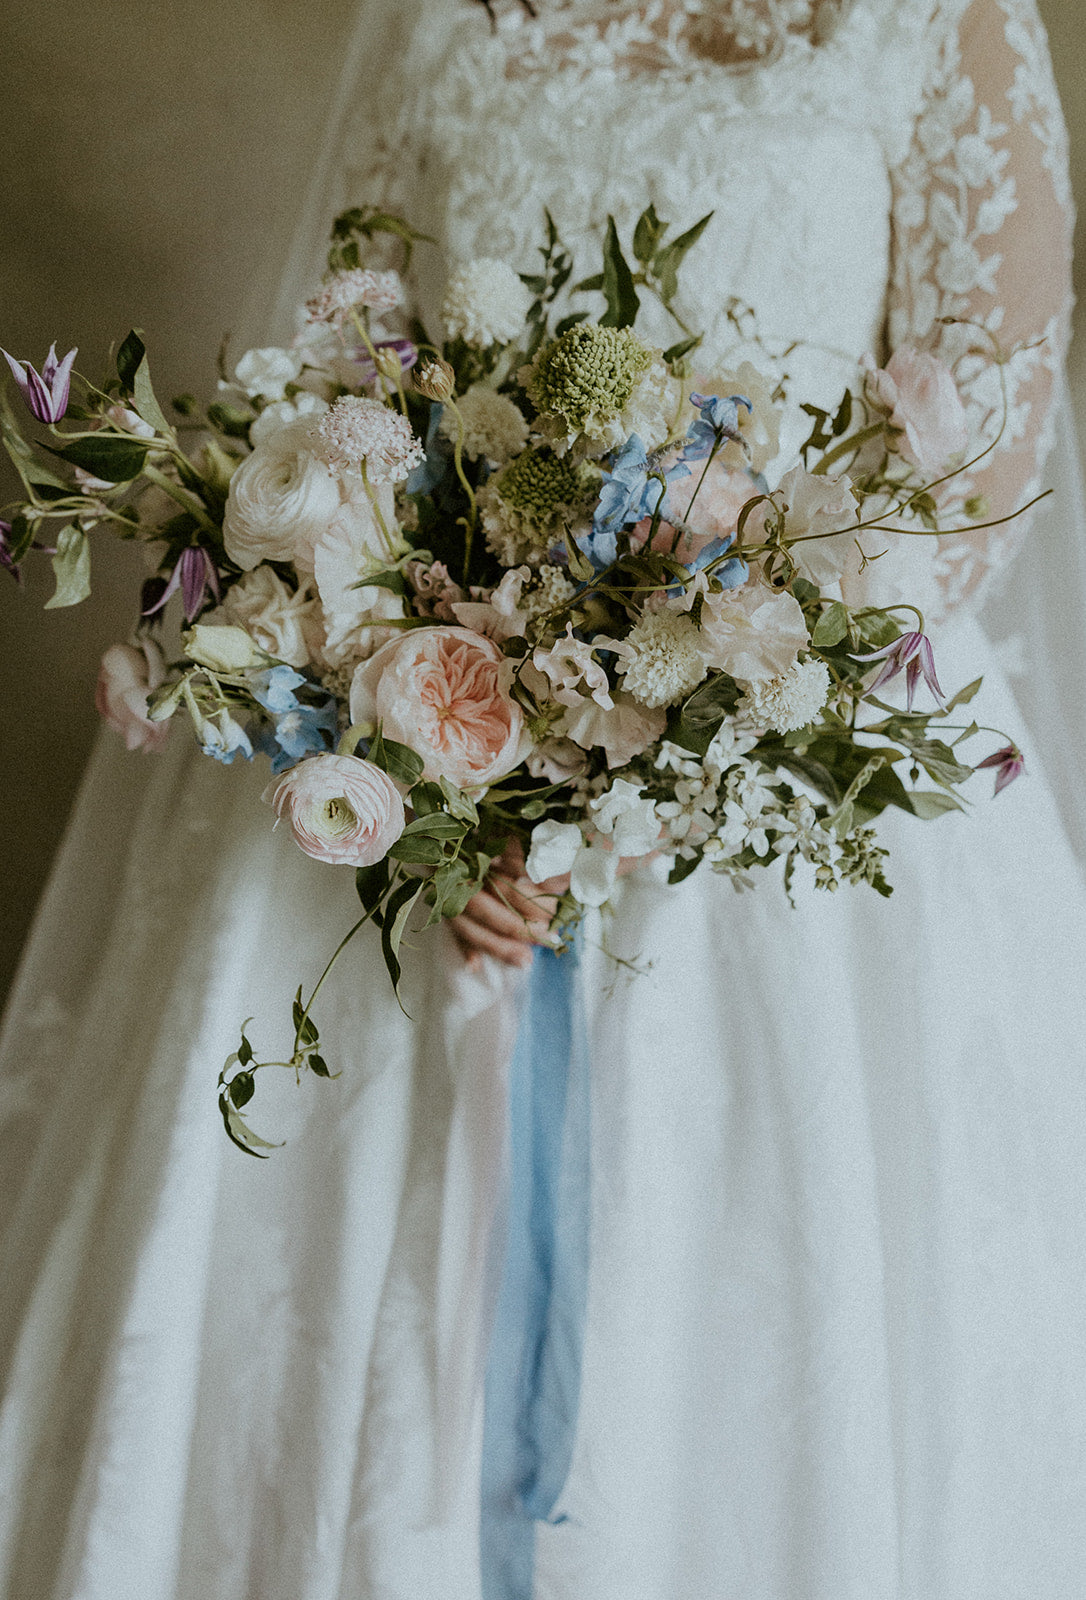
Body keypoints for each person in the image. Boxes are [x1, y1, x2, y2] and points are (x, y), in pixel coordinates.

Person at [2, 1, 1086, 1596]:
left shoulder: (936, 24)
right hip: (439, 723)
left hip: (791, 752)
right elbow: (341, 380)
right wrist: (445, 737)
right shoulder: (441, 23)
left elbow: (980, 437)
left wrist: (680, 729)